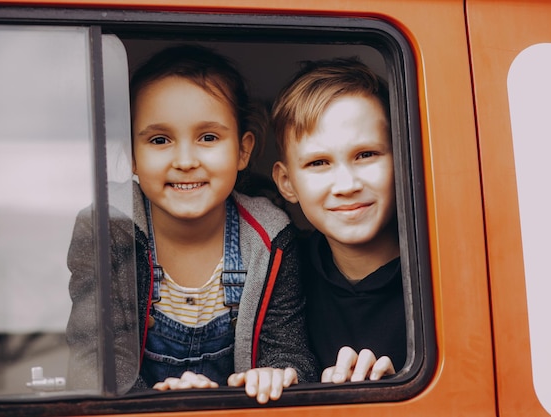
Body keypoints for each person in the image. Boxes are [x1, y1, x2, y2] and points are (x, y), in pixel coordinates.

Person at [65, 45, 317, 404]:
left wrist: (275, 373)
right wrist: (160, 403)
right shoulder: (107, 229)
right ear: (132, 156)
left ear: (243, 151)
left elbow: (289, 351)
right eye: (160, 140)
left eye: (208, 138)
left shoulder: (271, 237)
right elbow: (94, 360)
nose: (185, 160)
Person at [271, 58, 407, 384]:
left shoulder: (445, 276)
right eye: (319, 163)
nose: (347, 185)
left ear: (403, 158)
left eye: (366, 155)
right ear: (287, 183)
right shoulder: (281, 272)